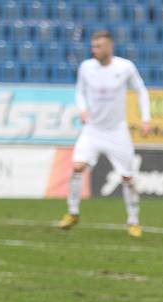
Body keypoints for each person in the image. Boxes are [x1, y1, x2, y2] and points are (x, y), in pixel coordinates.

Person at [58, 30, 150, 237]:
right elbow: (80, 91)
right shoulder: (86, 67)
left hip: (117, 131)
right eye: (93, 46)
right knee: (77, 167)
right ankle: (73, 212)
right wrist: (82, 109)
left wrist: (145, 118)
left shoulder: (125, 67)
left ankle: (133, 221)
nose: (94, 50)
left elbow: (141, 90)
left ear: (109, 47)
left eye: (98, 47)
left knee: (127, 177)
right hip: (92, 130)